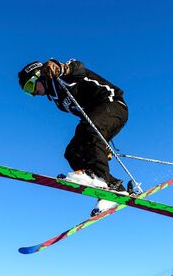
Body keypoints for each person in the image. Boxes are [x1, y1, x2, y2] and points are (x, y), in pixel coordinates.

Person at [17, 59, 130, 205]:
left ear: (39, 76)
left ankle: (100, 179)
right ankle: (113, 189)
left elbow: (78, 69)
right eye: (28, 92)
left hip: (113, 105)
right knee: (73, 152)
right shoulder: (58, 100)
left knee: (89, 130)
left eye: (30, 86)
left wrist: (61, 68)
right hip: (99, 119)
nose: (33, 93)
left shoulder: (59, 78)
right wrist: (101, 143)